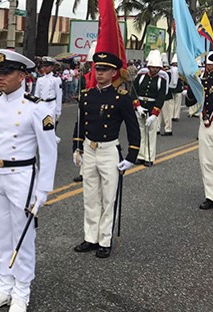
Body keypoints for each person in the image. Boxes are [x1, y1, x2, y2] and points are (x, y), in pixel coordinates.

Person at [0, 49, 57, 312]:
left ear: (22, 75)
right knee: (1, 234)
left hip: (23, 177)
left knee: (23, 237)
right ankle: (4, 286)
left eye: (7, 72)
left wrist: (43, 190)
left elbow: (48, 151)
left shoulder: (37, 108)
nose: (0, 77)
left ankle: (22, 291)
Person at [72, 52, 141, 259]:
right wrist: (77, 148)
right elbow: (80, 124)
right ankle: (90, 237)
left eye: (104, 70)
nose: (99, 73)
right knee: (90, 196)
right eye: (97, 69)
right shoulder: (87, 95)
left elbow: (132, 128)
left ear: (113, 73)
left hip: (109, 150)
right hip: (90, 150)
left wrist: (131, 156)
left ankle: (104, 240)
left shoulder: (121, 98)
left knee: (108, 198)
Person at [187, 51, 213, 211]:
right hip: (206, 124)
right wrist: (192, 83)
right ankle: (210, 196)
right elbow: (190, 101)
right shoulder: (206, 81)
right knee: (206, 161)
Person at [131, 50, 167, 167]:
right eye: (152, 67)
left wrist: (154, 114)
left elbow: (161, 97)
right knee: (140, 131)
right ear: (149, 66)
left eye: (157, 68)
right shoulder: (141, 76)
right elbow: (134, 92)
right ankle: (141, 155)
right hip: (140, 107)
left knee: (151, 133)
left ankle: (150, 157)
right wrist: (137, 106)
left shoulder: (162, 80)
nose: (154, 70)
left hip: (152, 108)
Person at [34, 56, 63, 123]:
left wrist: (58, 111)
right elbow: (36, 95)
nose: (45, 68)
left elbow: (59, 95)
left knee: (50, 127)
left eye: (47, 66)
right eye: (44, 66)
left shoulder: (56, 79)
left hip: (51, 105)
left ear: (52, 67)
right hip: (41, 105)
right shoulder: (40, 79)